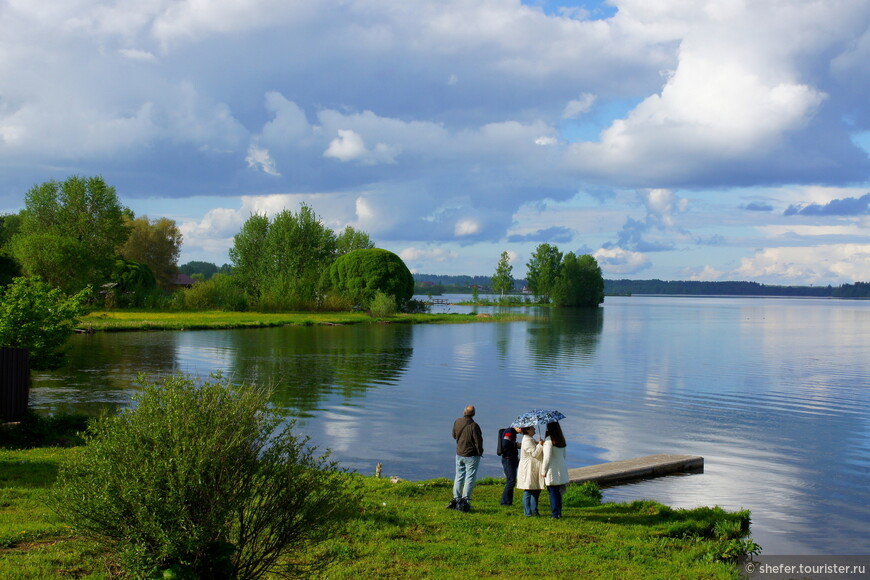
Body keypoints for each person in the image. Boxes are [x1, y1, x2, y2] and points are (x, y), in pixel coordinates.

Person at [449, 405, 484, 512]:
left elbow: (454, 435)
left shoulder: (457, 421)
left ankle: (456, 498)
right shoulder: (474, 426)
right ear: (474, 414)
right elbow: (478, 441)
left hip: (459, 453)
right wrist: (480, 452)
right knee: (470, 477)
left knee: (459, 475)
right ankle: (466, 500)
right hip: (471, 455)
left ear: (464, 412)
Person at [541, 421, 569, 518]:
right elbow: (564, 456)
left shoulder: (549, 441)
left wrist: (543, 471)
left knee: (552, 492)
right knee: (558, 493)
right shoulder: (561, 440)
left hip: (552, 470)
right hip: (561, 468)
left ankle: (554, 514)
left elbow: (547, 458)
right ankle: (559, 513)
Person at [516, 425, 545, 516]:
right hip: (529, 468)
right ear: (528, 430)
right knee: (528, 489)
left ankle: (533, 509)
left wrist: (537, 444)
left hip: (532, 467)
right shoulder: (527, 440)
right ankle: (528, 512)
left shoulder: (529, 439)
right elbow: (534, 454)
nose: (535, 429)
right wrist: (540, 445)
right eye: (532, 428)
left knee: (535, 489)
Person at [497, 426, 521, 506]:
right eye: (522, 428)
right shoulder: (510, 431)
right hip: (508, 459)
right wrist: (516, 445)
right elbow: (505, 443)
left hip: (511, 458)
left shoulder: (512, 432)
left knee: (512, 481)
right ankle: (504, 502)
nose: (522, 431)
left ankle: (508, 501)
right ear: (517, 427)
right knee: (511, 481)